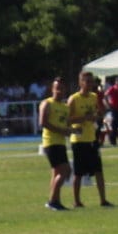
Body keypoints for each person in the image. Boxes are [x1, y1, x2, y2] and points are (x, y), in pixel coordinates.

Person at [67, 72, 111, 208]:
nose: (90, 84)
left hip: (92, 138)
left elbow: (101, 112)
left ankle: (103, 200)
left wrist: (98, 115)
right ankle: (76, 201)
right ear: (80, 83)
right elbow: (67, 119)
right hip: (78, 140)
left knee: (98, 170)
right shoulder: (74, 99)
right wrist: (84, 118)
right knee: (78, 172)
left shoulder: (94, 97)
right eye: (87, 81)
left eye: (91, 81)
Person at [38, 76, 72, 211]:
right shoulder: (47, 103)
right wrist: (62, 131)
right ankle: (52, 201)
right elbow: (43, 123)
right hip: (51, 142)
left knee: (58, 172)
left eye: (62, 88)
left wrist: (71, 130)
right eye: (57, 88)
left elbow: (65, 124)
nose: (59, 91)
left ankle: (55, 200)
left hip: (61, 143)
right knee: (65, 171)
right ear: (52, 89)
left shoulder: (65, 107)